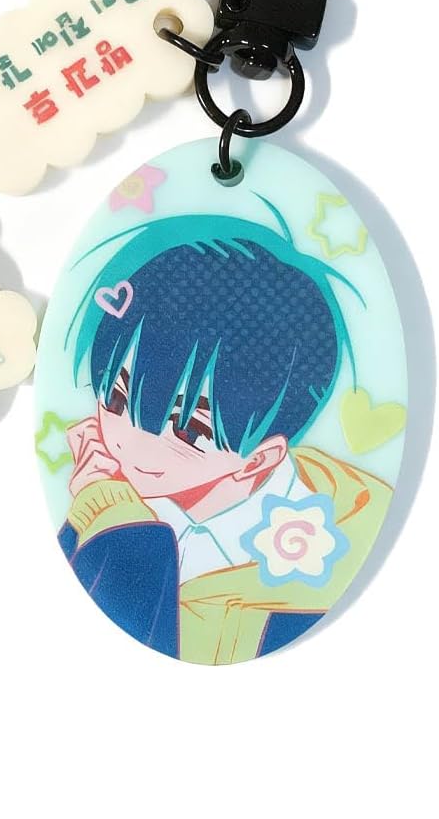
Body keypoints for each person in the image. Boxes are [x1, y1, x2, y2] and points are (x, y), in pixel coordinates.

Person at [60, 210, 391, 664]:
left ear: (260, 459)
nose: (129, 442)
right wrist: (94, 510)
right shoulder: (100, 488)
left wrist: (112, 518)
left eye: (188, 429)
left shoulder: (330, 558)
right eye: (117, 398)